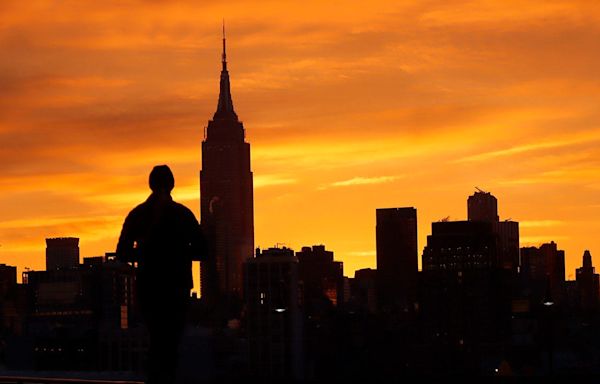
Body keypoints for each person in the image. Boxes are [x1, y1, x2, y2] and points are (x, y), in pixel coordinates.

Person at [116, 165, 205, 383]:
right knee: (170, 344)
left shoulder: (139, 215)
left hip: (150, 288)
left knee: (157, 341)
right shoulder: (183, 215)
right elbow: (203, 250)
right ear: (172, 185)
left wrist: (146, 254)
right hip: (176, 288)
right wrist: (179, 252)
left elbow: (122, 252)